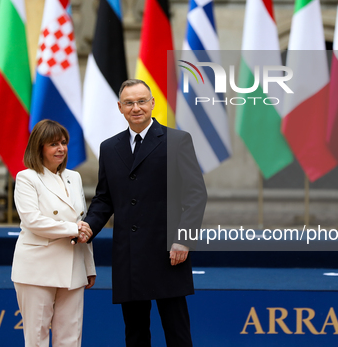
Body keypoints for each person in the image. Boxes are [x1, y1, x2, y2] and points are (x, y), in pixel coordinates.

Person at [82, 79, 207, 346]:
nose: (136, 107)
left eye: (141, 101)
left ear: (152, 103)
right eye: (129, 103)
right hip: (130, 256)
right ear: (120, 107)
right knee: (135, 334)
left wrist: (184, 239)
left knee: (177, 334)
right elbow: (104, 199)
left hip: (169, 252)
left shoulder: (177, 140)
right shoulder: (109, 148)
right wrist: (88, 227)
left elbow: (195, 195)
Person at [12, 119, 96, 347]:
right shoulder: (26, 178)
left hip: (73, 268)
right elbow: (32, 221)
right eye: (53, 144)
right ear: (39, 148)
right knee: (36, 339)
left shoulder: (74, 177)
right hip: (37, 269)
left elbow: (83, 221)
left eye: (63, 143)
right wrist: (72, 229)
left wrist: (89, 266)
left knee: (71, 339)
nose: (61, 148)